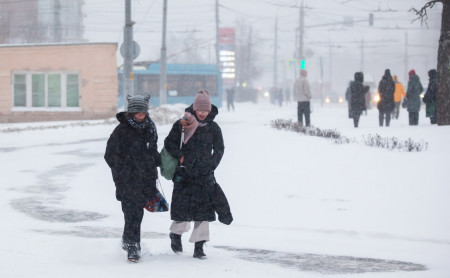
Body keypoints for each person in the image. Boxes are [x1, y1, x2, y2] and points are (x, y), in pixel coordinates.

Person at [164, 89, 231, 259]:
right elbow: (169, 143)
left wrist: (212, 164)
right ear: (194, 108)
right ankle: (176, 235)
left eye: (205, 110)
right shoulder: (183, 124)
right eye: (200, 110)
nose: (202, 113)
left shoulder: (213, 128)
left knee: (203, 213)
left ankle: (199, 247)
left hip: (204, 175)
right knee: (182, 212)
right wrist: (180, 157)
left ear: (209, 110)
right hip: (185, 174)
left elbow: (219, 149)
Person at [104, 95, 161, 263]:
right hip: (128, 181)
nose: (141, 115)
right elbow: (110, 155)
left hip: (145, 179)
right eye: (137, 112)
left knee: (136, 215)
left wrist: (158, 162)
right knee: (132, 214)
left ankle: (127, 241)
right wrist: (122, 173)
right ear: (131, 112)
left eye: (143, 112)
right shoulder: (121, 130)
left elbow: (152, 150)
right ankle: (133, 248)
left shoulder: (150, 127)